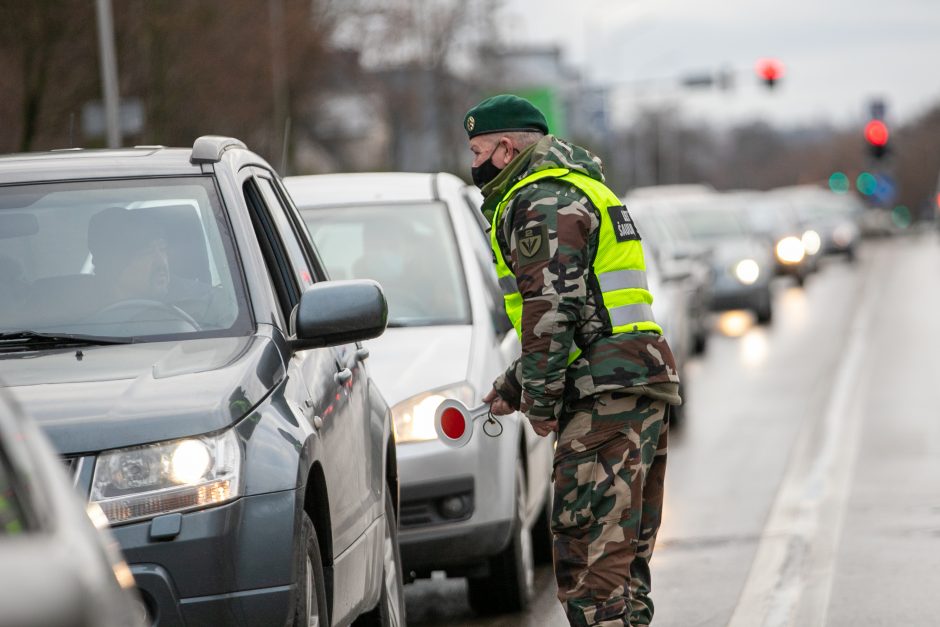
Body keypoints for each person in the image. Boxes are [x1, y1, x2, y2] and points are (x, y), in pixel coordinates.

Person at [464, 94, 681, 627]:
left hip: (604, 399)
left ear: (506, 147)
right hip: (637, 383)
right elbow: (587, 310)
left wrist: (538, 402)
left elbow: (550, 310)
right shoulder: (583, 187)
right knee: (622, 568)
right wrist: (516, 383)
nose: (472, 166)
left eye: (477, 150)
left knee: (589, 569)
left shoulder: (541, 201)